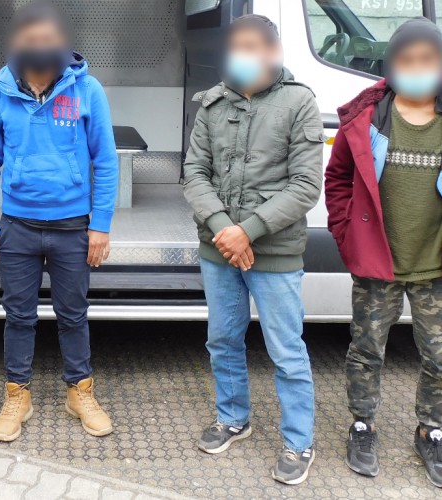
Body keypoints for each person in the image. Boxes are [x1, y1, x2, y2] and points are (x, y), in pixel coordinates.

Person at [183, 15, 323, 485]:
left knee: (286, 350)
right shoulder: (212, 103)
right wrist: (224, 228)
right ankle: (232, 418)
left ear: (272, 51)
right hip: (219, 248)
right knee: (223, 339)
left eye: (251, 47)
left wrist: (249, 230)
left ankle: (298, 441)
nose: (242, 56)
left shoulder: (299, 102)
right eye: (235, 47)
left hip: (275, 251)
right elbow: (194, 173)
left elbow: (306, 185)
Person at [0, 1, 118, 443]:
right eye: (31, 38)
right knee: (18, 316)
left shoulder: (87, 89)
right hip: (17, 226)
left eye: (48, 38)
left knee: (73, 314)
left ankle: (80, 392)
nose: (40, 45)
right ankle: (17, 394)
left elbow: (105, 160)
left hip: (72, 226)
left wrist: (100, 224)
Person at [325, 17, 442, 488]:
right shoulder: (367, 119)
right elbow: (337, 178)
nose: (417, 69)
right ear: (391, 64)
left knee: (439, 356)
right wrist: (345, 233)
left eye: (428, 60)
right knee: (366, 350)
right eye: (406, 60)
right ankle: (362, 425)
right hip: (379, 264)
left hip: (435, 267)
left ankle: (431, 430)